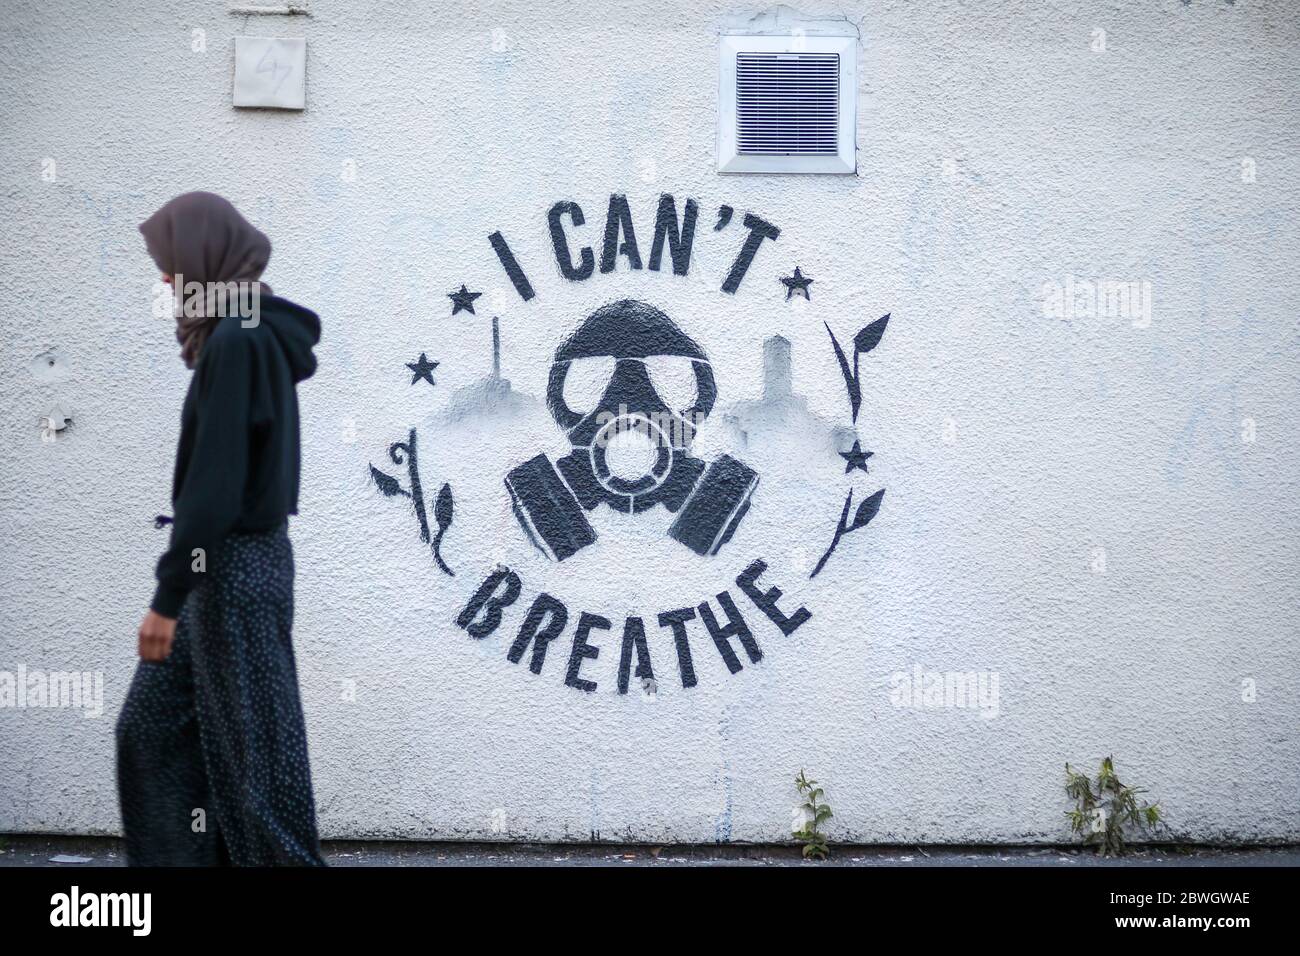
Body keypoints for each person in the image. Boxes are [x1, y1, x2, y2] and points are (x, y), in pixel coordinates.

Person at [115, 191, 326, 866]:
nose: (165, 279)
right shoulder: (240, 329)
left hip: (231, 572)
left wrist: (166, 599)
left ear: (206, 259)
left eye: (172, 264)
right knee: (149, 735)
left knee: (259, 774)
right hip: (227, 571)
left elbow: (213, 484)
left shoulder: (238, 340)